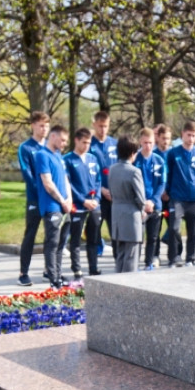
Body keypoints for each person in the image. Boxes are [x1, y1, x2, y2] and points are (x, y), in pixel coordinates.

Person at [33, 124, 75, 287]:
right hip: (52, 206)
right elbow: (47, 182)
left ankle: (58, 273)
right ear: (53, 136)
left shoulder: (59, 156)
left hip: (65, 206)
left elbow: (65, 179)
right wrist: (61, 200)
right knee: (52, 242)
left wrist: (69, 199)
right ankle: (52, 277)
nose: (64, 144)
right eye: (62, 140)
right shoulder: (42, 155)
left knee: (61, 243)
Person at [107, 131, 152, 272]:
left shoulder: (112, 169)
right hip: (131, 215)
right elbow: (140, 197)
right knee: (131, 255)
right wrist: (144, 208)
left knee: (120, 254)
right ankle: (128, 287)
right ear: (133, 152)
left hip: (117, 213)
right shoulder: (134, 171)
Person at [16, 112, 51, 286]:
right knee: (30, 235)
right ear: (33, 126)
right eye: (40, 125)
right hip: (35, 199)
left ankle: (49, 270)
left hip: (51, 199)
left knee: (52, 235)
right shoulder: (26, 148)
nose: (44, 129)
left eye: (46, 125)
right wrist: (42, 191)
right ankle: (23, 273)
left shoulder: (51, 147)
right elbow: (27, 173)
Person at [64, 128, 102, 280]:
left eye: (89, 143)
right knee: (76, 239)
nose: (87, 145)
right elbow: (69, 184)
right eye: (84, 142)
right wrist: (82, 200)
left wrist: (97, 199)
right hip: (78, 206)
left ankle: (93, 267)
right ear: (76, 141)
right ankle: (77, 270)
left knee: (93, 238)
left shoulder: (93, 159)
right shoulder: (67, 160)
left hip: (94, 205)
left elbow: (99, 181)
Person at [165, 122, 195, 266]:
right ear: (182, 134)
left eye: (194, 135)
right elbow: (168, 173)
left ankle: (190, 258)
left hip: (193, 197)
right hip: (177, 197)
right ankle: (173, 258)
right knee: (174, 228)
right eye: (188, 135)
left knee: (192, 231)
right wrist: (168, 190)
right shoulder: (173, 153)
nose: (191, 138)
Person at [86, 110, 116, 265]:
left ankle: (119, 260)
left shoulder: (114, 144)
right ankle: (94, 261)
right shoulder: (89, 144)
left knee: (115, 229)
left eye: (105, 126)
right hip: (96, 194)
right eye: (100, 126)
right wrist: (101, 190)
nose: (102, 130)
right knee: (95, 227)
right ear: (94, 125)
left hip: (113, 195)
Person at [140, 128, 167, 269]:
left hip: (155, 204)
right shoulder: (136, 160)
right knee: (139, 237)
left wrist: (153, 200)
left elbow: (162, 183)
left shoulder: (159, 160)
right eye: (145, 143)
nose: (148, 146)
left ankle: (149, 262)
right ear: (140, 142)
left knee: (153, 237)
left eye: (150, 143)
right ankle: (134, 264)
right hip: (140, 205)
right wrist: (143, 202)